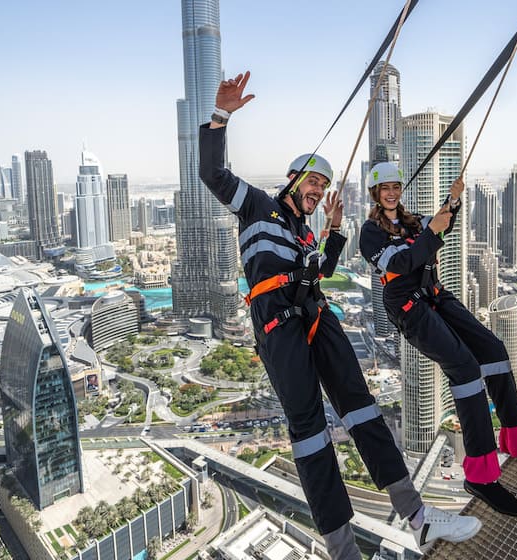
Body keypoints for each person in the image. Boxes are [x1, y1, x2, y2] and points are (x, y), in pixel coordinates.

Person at [199, 71, 481, 559]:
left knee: (363, 407)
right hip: (278, 326)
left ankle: (417, 518)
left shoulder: (307, 234)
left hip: (317, 318)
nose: (319, 189)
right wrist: (221, 116)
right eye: (313, 181)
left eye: (324, 185)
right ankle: (344, 550)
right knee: (309, 432)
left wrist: (330, 230)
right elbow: (214, 174)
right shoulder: (259, 208)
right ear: (293, 180)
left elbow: (324, 270)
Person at [359, 162, 517, 517]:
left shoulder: (413, 220)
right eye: (383, 188)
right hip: (407, 306)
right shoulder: (370, 233)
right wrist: (432, 231)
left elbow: (438, 226)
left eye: (394, 186)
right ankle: (479, 475)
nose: (391, 193)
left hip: (434, 294)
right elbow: (403, 264)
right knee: (464, 369)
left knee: (494, 351)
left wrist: (453, 202)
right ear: (375, 193)